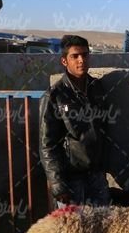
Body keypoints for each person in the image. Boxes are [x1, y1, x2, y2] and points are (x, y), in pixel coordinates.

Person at [39, 35, 111, 207]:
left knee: (104, 222)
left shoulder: (97, 88)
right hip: (71, 181)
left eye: (85, 55)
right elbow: (47, 144)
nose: (81, 60)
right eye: (75, 56)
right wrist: (57, 184)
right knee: (73, 224)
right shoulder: (54, 96)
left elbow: (105, 130)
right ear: (64, 61)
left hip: (97, 177)